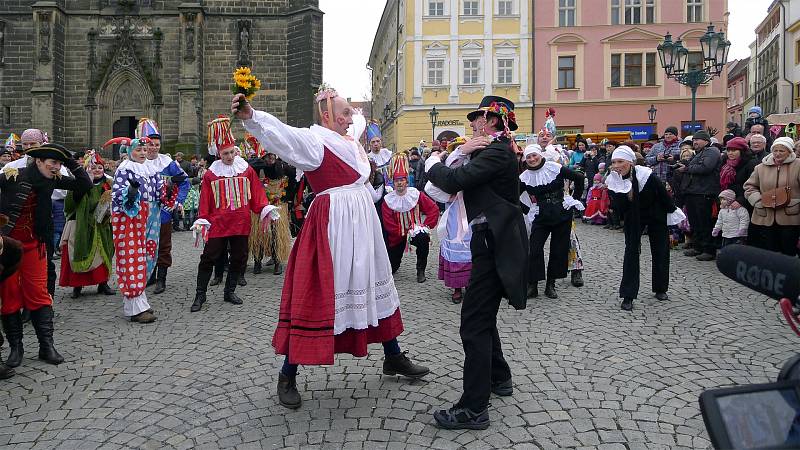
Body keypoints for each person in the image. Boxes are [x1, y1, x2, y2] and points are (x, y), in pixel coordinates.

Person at [235, 86, 430, 410]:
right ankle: (288, 373)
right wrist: (253, 118)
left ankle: (393, 356)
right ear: (326, 115)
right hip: (333, 226)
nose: (350, 116)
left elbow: (363, 180)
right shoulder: (315, 140)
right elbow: (283, 136)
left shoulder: (351, 143)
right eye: (344, 111)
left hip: (361, 224)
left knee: (371, 285)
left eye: (350, 111)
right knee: (321, 294)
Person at [426, 95, 528, 430]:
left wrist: (440, 158)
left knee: (474, 324)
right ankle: (499, 377)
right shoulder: (495, 151)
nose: (472, 124)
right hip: (491, 240)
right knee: (482, 316)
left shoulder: (497, 152)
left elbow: (451, 182)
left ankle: (473, 409)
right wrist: (461, 154)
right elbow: (440, 192)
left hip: (495, 243)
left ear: (493, 121)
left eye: (477, 118)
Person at [0, 143, 91, 367]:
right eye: (53, 163)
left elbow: (84, 184)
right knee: (10, 296)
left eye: (59, 164)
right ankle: (16, 348)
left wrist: (70, 161)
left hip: (35, 245)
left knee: (39, 295)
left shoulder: (54, 178)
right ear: (39, 161)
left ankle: (46, 346)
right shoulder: (13, 175)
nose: (56, 167)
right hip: (10, 248)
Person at [190, 118, 274, 312]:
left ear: (236, 150)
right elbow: (206, 199)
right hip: (218, 224)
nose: (229, 156)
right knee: (209, 257)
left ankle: (230, 291)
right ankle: (200, 295)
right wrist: (203, 218)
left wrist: (264, 208)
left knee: (239, 257)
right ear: (219, 154)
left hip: (240, 222)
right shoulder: (211, 174)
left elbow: (256, 193)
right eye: (225, 153)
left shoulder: (246, 169)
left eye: (231, 152)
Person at [607, 146, 683, 311]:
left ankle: (660, 288)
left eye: (620, 161)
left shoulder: (646, 175)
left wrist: (672, 211)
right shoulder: (613, 179)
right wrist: (621, 191)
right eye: (614, 162)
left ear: (631, 162)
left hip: (656, 213)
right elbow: (618, 207)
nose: (617, 165)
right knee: (631, 252)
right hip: (633, 216)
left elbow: (663, 194)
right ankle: (628, 295)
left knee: (660, 250)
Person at [109, 137, 166, 324]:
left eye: (144, 149)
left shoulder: (152, 169)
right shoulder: (124, 169)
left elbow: (159, 193)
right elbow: (118, 196)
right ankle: (135, 306)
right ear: (130, 151)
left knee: (148, 256)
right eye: (138, 149)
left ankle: (139, 300)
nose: (142, 152)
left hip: (150, 217)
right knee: (132, 258)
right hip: (129, 218)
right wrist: (131, 193)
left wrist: (170, 190)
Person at [521, 144, 584, 299]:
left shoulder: (554, 167)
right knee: (534, 249)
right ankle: (533, 285)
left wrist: (573, 200)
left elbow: (579, 178)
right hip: (541, 216)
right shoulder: (525, 177)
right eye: (528, 157)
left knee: (558, 250)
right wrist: (528, 210)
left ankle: (551, 284)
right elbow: (513, 198)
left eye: (534, 155)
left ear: (540, 155)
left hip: (561, 213)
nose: (532, 159)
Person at [139, 119, 190, 295]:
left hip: (163, 213)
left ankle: (162, 278)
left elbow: (184, 182)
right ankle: (150, 275)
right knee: (145, 245)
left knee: (163, 246)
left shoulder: (168, 163)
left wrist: (177, 201)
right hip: (142, 213)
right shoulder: (137, 163)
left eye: (156, 145)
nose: (153, 148)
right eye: (150, 144)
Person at [59, 151, 116, 298]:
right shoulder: (79, 183)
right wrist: (85, 185)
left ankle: (103, 283)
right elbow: (70, 205)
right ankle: (77, 286)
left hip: (102, 225)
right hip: (81, 224)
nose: (96, 170)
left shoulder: (109, 184)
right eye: (92, 168)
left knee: (103, 255)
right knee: (77, 252)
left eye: (99, 168)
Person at [381, 152, 439, 283]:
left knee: (423, 239)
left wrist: (425, 227)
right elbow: (388, 223)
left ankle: (420, 270)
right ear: (393, 183)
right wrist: (403, 233)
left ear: (407, 181)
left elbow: (433, 209)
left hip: (416, 232)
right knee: (393, 267)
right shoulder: (388, 200)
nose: (399, 183)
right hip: (397, 236)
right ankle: (394, 264)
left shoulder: (416, 194)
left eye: (402, 180)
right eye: (397, 181)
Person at [428, 138, 472, 305]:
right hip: (454, 215)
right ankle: (457, 288)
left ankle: (471, 284)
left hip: (473, 214)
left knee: (473, 248)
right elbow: (429, 188)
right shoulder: (446, 172)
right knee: (456, 246)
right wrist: (450, 196)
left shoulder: (472, 168)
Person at [744, 137, 800, 256]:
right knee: (770, 251)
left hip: (790, 216)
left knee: (788, 250)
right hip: (766, 215)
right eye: (775, 150)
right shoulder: (760, 168)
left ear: (790, 152)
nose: (778, 154)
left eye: (782, 151)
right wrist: (758, 201)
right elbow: (749, 187)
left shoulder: (798, 166)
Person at [246, 136, 292, 276]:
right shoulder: (256, 167)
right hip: (260, 206)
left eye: (272, 155)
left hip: (278, 205)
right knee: (258, 234)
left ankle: (277, 261)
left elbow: (293, 183)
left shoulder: (283, 167)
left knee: (277, 234)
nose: (270, 158)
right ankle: (258, 262)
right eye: (267, 156)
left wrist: (288, 198)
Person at [677, 131, 720, 261]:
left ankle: (708, 249)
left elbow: (706, 168)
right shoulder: (700, 153)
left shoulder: (712, 151)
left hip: (704, 192)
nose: (695, 142)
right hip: (693, 192)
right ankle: (698, 246)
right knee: (695, 222)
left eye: (698, 140)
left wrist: (687, 168)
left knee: (705, 222)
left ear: (706, 141)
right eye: (694, 140)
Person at [719, 137, 758, 218]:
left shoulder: (751, 163)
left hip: (744, 203)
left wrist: (740, 201)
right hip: (727, 202)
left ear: (742, 151)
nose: (730, 153)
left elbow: (753, 185)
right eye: (728, 150)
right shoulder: (725, 163)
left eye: (734, 150)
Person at [366, 121, 393, 189]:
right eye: (373, 142)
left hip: (390, 187)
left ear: (381, 142)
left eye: (378, 141)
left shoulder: (387, 154)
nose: (376, 144)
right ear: (370, 144)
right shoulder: (368, 158)